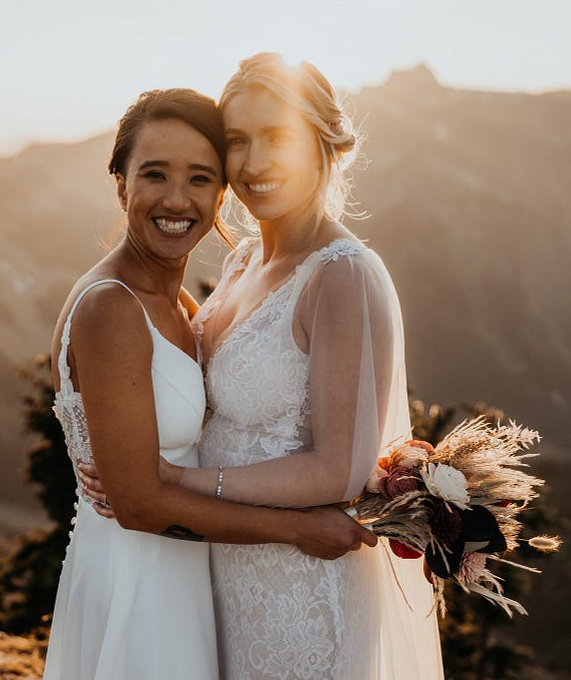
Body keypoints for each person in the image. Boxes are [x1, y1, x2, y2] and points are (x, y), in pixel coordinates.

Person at [82, 54, 444, 679]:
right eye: (237, 141)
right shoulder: (242, 262)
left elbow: (339, 471)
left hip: (303, 594)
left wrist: (171, 480)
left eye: (277, 137)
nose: (252, 164)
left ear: (324, 145)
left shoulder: (342, 275)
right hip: (226, 575)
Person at [41, 88, 376, 680]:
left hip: (185, 574)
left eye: (200, 178)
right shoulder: (111, 307)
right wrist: (301, 528)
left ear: (222, 191)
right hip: (139, 583)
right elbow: (139, 504)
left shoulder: (182, 305)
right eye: (154, 175)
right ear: (120, 184)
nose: (177, 199)